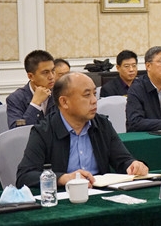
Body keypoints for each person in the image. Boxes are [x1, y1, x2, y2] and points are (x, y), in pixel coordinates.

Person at [16, 72, 148, 188]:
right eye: (87, 95)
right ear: (64, 102)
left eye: (94, 94)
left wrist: (133, 165)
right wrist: (63, 178)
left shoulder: (102, 125)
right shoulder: (44, 131)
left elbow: (122, 160)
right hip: (65, 197)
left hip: (100, 194)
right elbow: (24, 176)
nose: (94, 101)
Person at [6, 50, 57, 129]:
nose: (51, 77)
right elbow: (17, 130)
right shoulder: (16, 99)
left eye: (53, 71)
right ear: (30, 76)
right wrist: (35, 104)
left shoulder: (60, 93)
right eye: (45, 72)